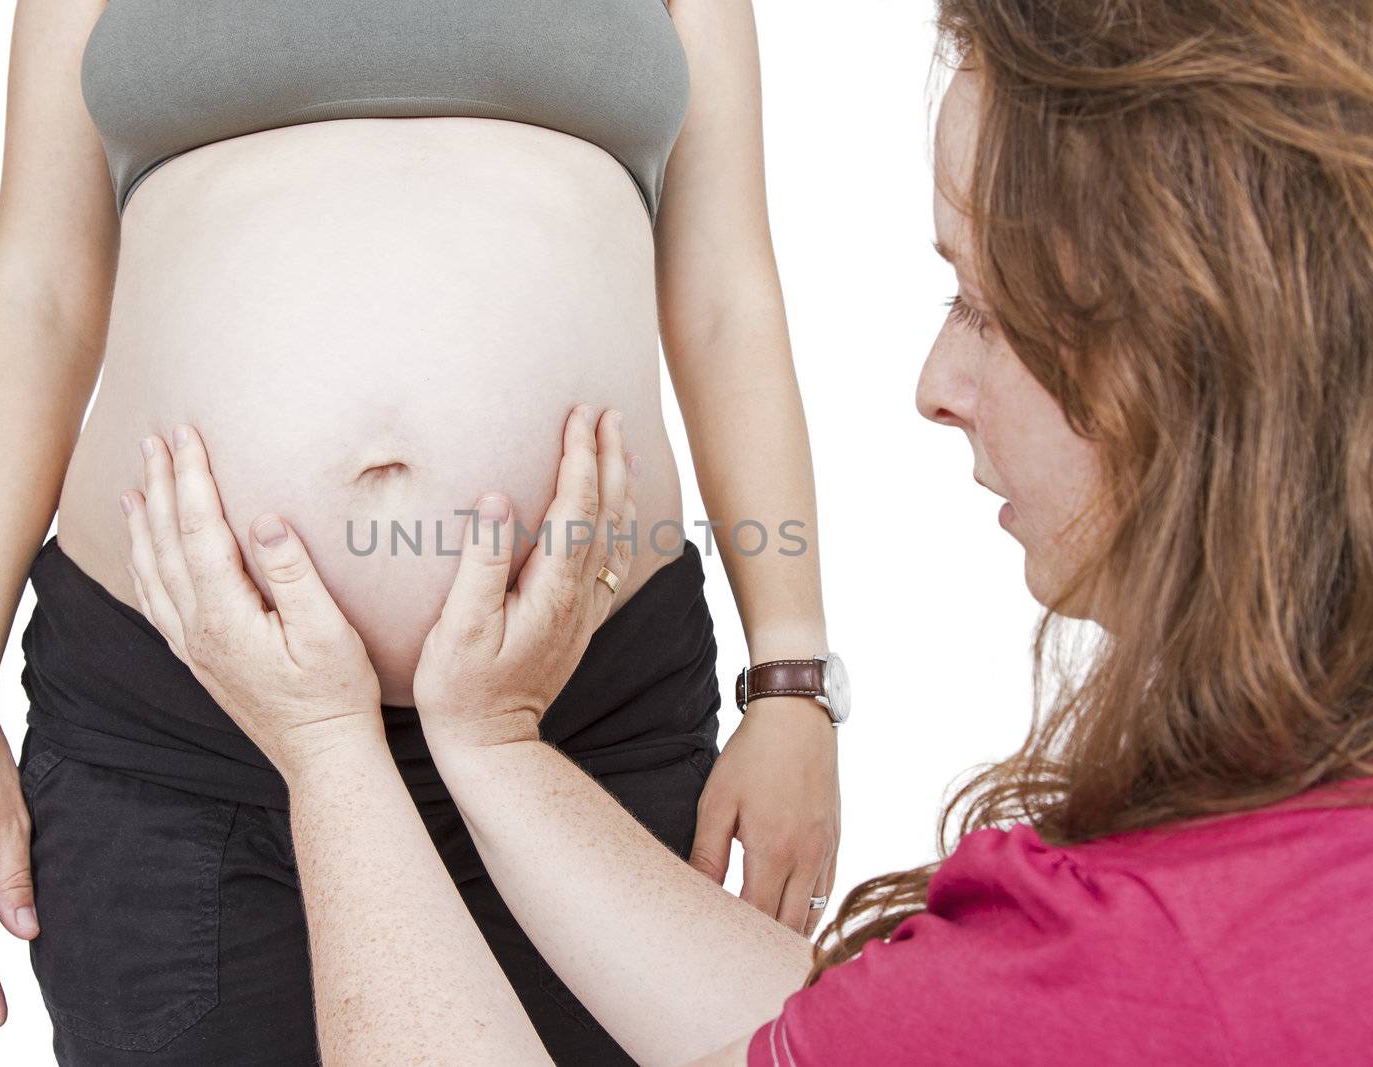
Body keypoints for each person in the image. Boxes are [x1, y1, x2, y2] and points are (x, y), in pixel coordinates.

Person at [115, 0, 1373, 1063]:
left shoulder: (1139, 952)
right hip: (191, 723)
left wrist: (332, 752)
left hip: (591, 693)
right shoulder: (1294, 865)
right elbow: (825, 1036)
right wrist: (487, 742)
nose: (933, 385)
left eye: (986, 308)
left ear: (1201, 356)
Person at [0, 1, 838, 1060]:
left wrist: (792, 675)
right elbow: (39, 298)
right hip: (180, 728)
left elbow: (726, 304)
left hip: (585, 713)